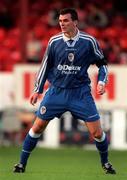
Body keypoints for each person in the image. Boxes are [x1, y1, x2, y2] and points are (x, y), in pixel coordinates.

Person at [13, 8, 116, 174]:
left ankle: (106, 163)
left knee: (97, 132)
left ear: (75, 22)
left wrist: (102, 81)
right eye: (60, 21)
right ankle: (21, 164)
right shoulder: (54, 41)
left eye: (66, 21)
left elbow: (102, 63)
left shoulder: (89, 41)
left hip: (80, 93)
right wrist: (36, 89)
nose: (62, 24)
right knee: (38, 126)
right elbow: (45, 66)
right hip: (57, 92)